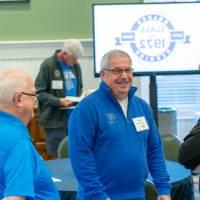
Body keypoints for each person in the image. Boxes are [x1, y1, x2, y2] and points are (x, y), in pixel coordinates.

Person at [68, 49, 171, 200]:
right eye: (117, 71)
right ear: (103, 75)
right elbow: (81, 158)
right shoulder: (86, 110)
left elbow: (154, 150)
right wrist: (99, 196)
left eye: (128, 70)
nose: (124, 76)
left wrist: (163, 189)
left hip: (137, 195)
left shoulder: (142, 107)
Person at [0, 69, 60, 200]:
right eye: (33, 95)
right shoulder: (18, 142)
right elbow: (14, 197)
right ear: (19, 99)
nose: (35, 101)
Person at [35, 39, 84, 159]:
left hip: (73, 119)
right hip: (55, 122)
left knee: (75, 155)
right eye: (74, 59)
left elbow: (79, 88)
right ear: (64, 54)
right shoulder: (48, 65)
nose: (76, 62)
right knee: (57, 157)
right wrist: (58, 101)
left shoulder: (75, 66)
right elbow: (40, 92)